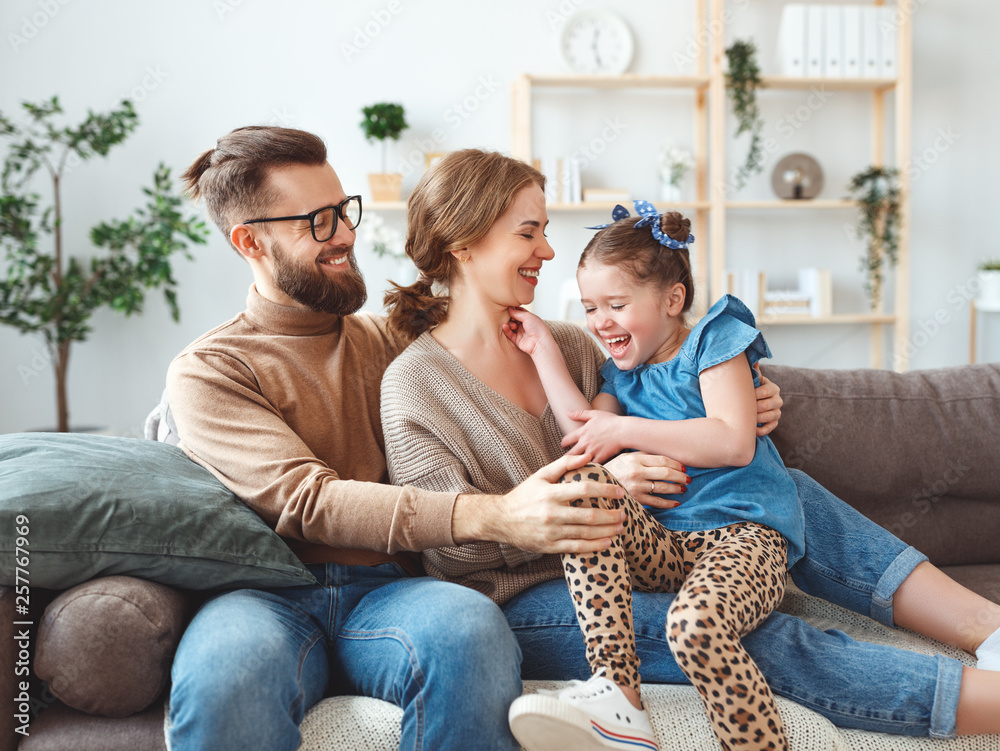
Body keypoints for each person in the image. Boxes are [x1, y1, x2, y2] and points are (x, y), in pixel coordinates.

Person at [380, 148, 1000, 749]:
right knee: (740, 636)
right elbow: (451, 545)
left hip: (658, 540)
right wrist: (607, 477)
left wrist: (749, 404)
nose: (546, 249)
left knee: (783, 488)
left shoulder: (568, 342)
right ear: (463, 244)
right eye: (529, 232)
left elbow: (653, 403)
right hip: (536, 593)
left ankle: (985, 625)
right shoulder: (414, 382)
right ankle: (982, 702)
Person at [162, 125, 662, 751]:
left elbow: (496, 331)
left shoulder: (394, 342)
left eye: (343, 211)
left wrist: (717, 379)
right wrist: (499, 516)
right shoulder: (212, 368)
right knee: (225, 677)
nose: (345, 233)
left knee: (470, 633)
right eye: (317, 221)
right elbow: (307, 502)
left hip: (395, 594)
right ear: (251, 241)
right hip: (267, 597)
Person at [500, 202, 802, 751]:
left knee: (694, 627)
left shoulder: (714, 341)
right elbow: (584, 430)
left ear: (673, 299)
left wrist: (628, 430)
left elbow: (733, 441)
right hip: (664, 545)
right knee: (581, 489)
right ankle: (618, 697)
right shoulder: (622, 372)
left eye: (617, 304)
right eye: (591, 307)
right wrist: (543, 346)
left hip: (743, 537)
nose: (600, 322)